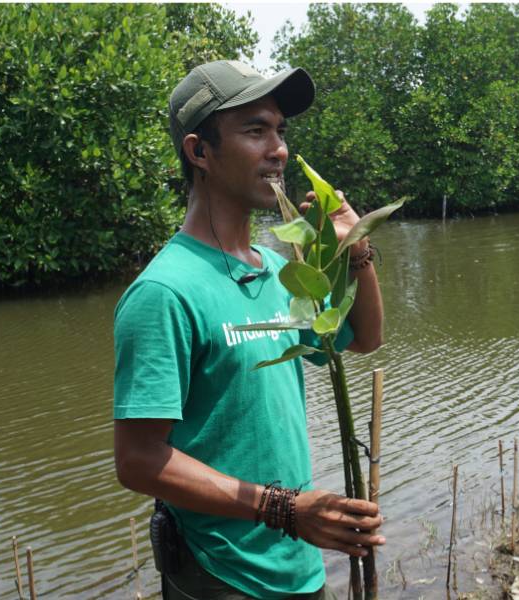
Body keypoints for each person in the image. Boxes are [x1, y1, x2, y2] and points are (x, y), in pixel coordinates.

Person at [113, 60, 386, 600]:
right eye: (256, 130)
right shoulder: (164, 293)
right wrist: (284, 507)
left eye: (280, 131)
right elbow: (138, 459)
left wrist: (357, 252)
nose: (278, 149)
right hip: (222, 576)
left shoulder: (277, 270)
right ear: (199, 152)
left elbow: (364, 336)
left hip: (298, 563)